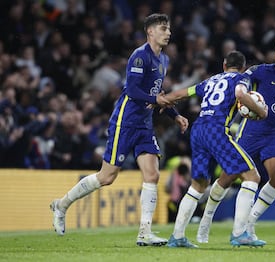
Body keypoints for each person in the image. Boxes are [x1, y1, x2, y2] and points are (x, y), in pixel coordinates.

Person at [50, 13, 189, 247]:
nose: (168, 32)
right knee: (107, 177)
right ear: (150, 32)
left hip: (144, 125)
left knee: (152, 174)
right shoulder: (139, 56)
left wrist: (175, 115)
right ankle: (61, 205)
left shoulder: (163, 60)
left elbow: (158, 93)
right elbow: (133, 91)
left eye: (168, 29)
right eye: (163, 28)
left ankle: (144, 232)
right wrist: (156, 100)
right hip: (125, 122)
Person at [196, 38, 275, 245]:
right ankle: (206, 219)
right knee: (227, 178)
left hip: (272, 135)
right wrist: (242, 89)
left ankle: (249, 224)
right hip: (249, 134)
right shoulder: (261, 71)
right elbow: (243, 78)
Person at [162, 50, 268, 248]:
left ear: (224, 65)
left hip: (198, 129)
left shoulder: (209, 81)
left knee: (198, 184)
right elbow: (239, 94)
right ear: (242, 67)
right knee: (252, 177)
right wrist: (261, 111)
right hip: (216, 129)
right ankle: (239, 233)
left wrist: (163, 100)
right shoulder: (241, 78)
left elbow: (182, 94)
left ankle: (177, 236)